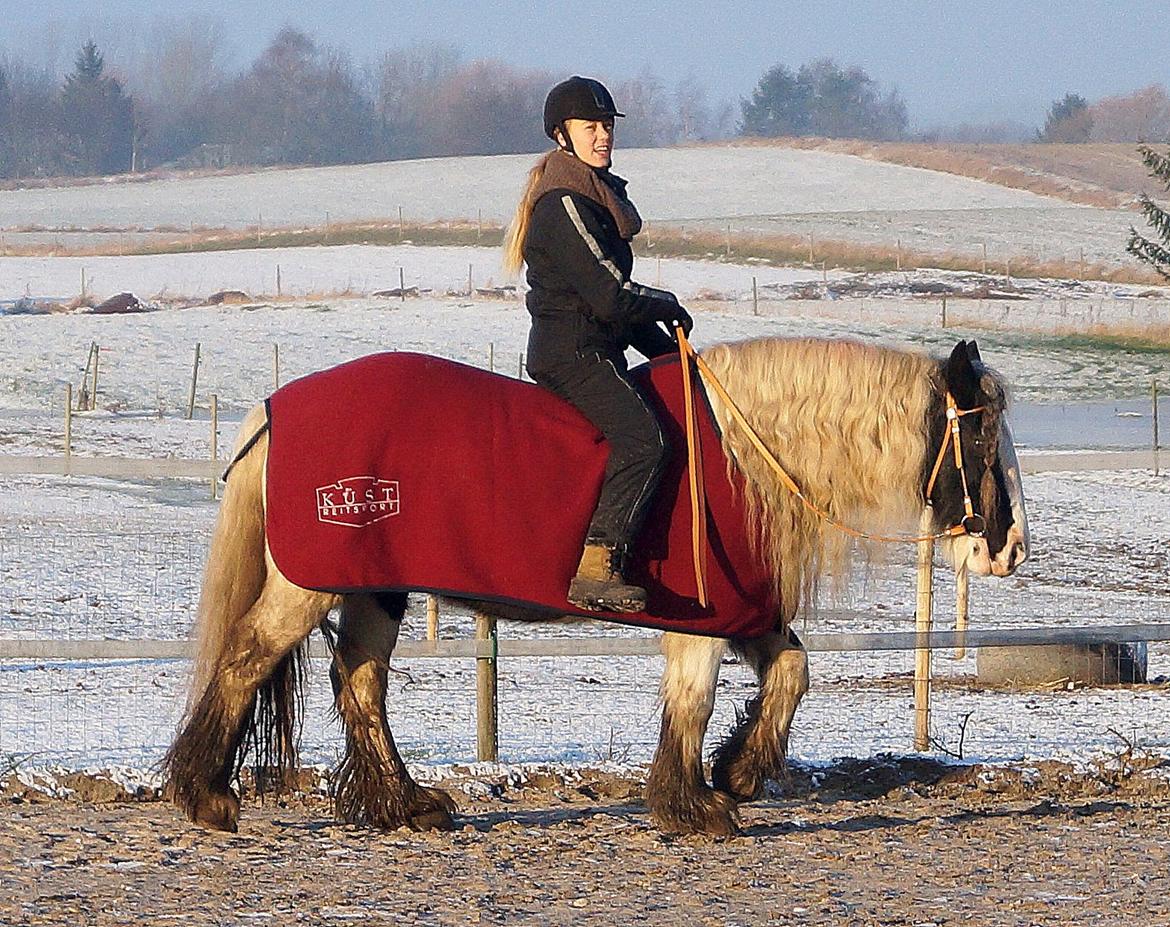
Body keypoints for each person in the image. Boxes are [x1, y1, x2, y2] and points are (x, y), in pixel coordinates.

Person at [502, 75, 694, 613]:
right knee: (645, 439)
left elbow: (614, 308)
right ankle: (596, 565)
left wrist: (665, 349)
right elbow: (610, 295)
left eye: (607, 126)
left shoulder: (596, 198)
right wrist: (666, 302)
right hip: (573, 355)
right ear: (562, 135)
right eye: (591, 126)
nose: (603, 135)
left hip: (599, 347)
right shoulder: (563, 205)